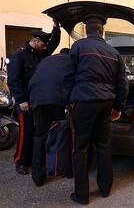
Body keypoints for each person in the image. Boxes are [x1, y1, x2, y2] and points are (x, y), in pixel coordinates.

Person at [67, 14, 128, 205]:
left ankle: (82, 195)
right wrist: (118, 107)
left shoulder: (78, 47)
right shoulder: (113, 52)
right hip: (106, 103)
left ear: (87, 30)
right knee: (103, 146)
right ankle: (105, 189)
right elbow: (123, 84)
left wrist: (67, 103)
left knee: (80, 149)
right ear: (102, 31)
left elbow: (68, 77)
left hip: (83, 103)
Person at [7, 20, 61, 175]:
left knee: (36, 130)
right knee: (26, 131)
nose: (45, 48)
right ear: (35, 41)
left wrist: (56, 27)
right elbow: (14, 80)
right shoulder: (19, 55)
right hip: (25, 100)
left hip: (36, 99)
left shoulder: (38, 53)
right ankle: (20, 161)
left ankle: (30, 158)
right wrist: (21, 99)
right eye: (42, 44)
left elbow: (52, 44)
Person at [28, 48, 72, 186]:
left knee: (40, 136)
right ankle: (66, 169)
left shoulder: (46, 60)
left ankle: (38, 176)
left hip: (37, 99)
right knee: (63, 133)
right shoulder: (70, 61)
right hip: (56, 99)